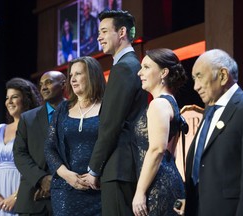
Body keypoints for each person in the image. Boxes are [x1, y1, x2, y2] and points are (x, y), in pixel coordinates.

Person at [84, 10, 148, 216]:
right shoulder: (128, 65)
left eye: (104, 31)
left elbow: (111, 123)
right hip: (122, 165)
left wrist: (94, 168)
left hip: (119, 166)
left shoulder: (124, 67)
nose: (98, 37)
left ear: (121, 32)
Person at [185, 49, 243, 216]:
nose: (195, 86)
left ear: (222, 75)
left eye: (199, 76)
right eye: (194, 79)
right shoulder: (209, 112)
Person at [44, 56, 105, 216]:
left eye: (78, 74)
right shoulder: (63, 108)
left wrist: (96, 174)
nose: (73, 79)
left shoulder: (107, 107)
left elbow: (112, 145)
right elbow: (49, 147)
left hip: (99, 189)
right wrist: (67, 175)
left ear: (92, 76)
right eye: (71, 75)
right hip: (66, 191)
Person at [131, 48, 187, 216]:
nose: (140, 73)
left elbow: (157, 150)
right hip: (166, 181)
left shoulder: (159, 104)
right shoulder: (170, 102)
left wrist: (140, 191)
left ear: (164, 72)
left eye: (146, 67)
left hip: (158, 186)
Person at [0, 78, 43, 216]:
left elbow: (36, 165)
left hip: (22, 192)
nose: (9, 102)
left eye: (14, 97)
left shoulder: (33, 128)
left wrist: (17, 196)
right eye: (7, 98)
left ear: (26, 100)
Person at [13, 71, 66, 216]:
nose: (43, 87)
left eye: (48, 82)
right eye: (41, 84)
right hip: (33, 198)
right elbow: (19, 154)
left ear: (63, 84)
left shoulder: (77, 113)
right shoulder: (27, 119)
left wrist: (56, 182)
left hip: (68, 197)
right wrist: (41, 179)